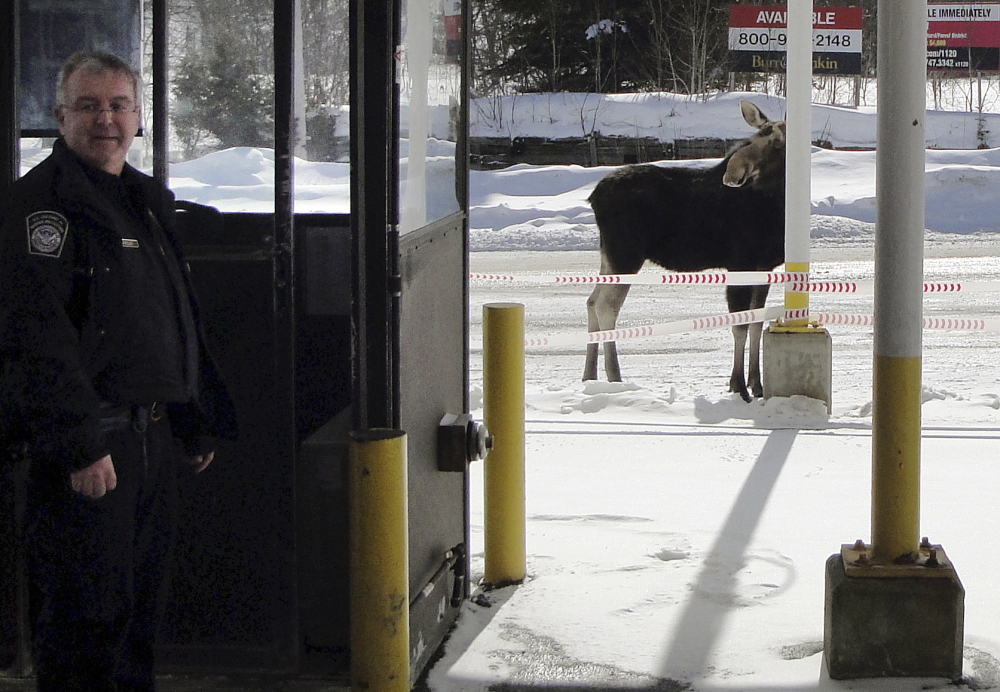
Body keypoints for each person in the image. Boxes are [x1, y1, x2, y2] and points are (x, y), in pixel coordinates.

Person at [0, 51, 237, 691]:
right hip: (87, 453)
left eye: (118, 105)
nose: (105, 119)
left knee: (137, 618)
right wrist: (81, 446)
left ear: (137, 117)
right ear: (59, 117)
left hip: (150, 442)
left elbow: (168, 320)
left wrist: (189, 422)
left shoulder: (141, 200)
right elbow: (35, 341)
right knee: (85, 624)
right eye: (88, 105)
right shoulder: (41, 209)